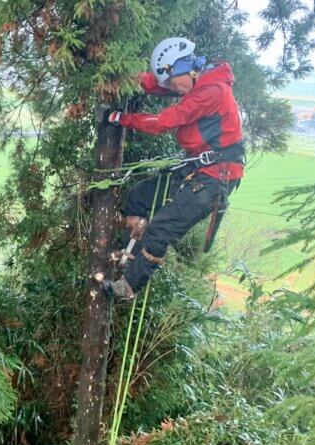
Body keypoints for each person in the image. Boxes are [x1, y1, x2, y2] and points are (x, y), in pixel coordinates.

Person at [100, 37, 245, 300]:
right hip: (197, 168)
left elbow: (164, 121)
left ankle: (129, 286)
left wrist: (119, 118)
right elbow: (161, 84)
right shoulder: (196, 81)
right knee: (139, 197)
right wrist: (128, 78)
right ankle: (128, 252)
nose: (172, 89)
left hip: (215, 177)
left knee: (161, 229)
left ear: (185, 69)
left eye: (172, 82)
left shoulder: (212, 91)